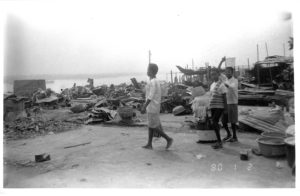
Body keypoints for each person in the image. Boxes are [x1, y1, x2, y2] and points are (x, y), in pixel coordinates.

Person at [141, 63, 173, 150]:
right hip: (152, 107)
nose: (147, 71)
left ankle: (168, 139)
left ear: (151, 71)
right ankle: (149, 144)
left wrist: (144, 107)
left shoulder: (153, 82)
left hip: (152, 107)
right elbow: (149, 94)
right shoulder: (154, 81)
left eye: (148, 69)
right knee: (150, 125)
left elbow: (150, 96)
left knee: (153, 126)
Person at [218, 57, 239, 142]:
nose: (227, 73)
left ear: (232, 72)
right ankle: (229, 134)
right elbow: (218, 70)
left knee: (233, 121)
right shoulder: (225, 79)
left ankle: (235, 137)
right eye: (226, 72)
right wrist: (221, 61)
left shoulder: (235, 80)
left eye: (229, 72)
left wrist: (224, 82)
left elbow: (231, 87)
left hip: (233, 103)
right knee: (224, 121)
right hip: (226, 103)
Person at [209, 68, 227, 149]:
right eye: (212, 74)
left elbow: (224, 96)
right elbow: (211, 95)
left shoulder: (222, 84)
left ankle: (219, 142)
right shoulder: (212, 85)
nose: (213, 75)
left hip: (219, 106)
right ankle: (218, 140)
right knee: (214, 122)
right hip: (213, 106)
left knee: (214, 121)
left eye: (215, 74)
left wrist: (226, 108)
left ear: (218, 75)